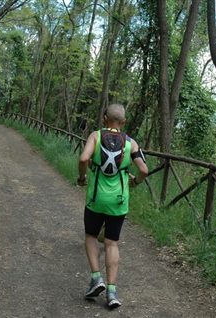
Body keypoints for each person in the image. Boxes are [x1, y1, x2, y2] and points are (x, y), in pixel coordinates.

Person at [77, 104, 148, 308]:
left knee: (91, 236)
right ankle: (112, 292)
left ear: (104, 119)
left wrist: (82, 177)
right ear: (123, 122)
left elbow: (83, 158)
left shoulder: (95, 136)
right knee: (112, 243)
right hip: (119, 201)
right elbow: (144, 170)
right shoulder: (130, 143)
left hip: (96, 199)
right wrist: (134, 182)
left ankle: (96, 278)